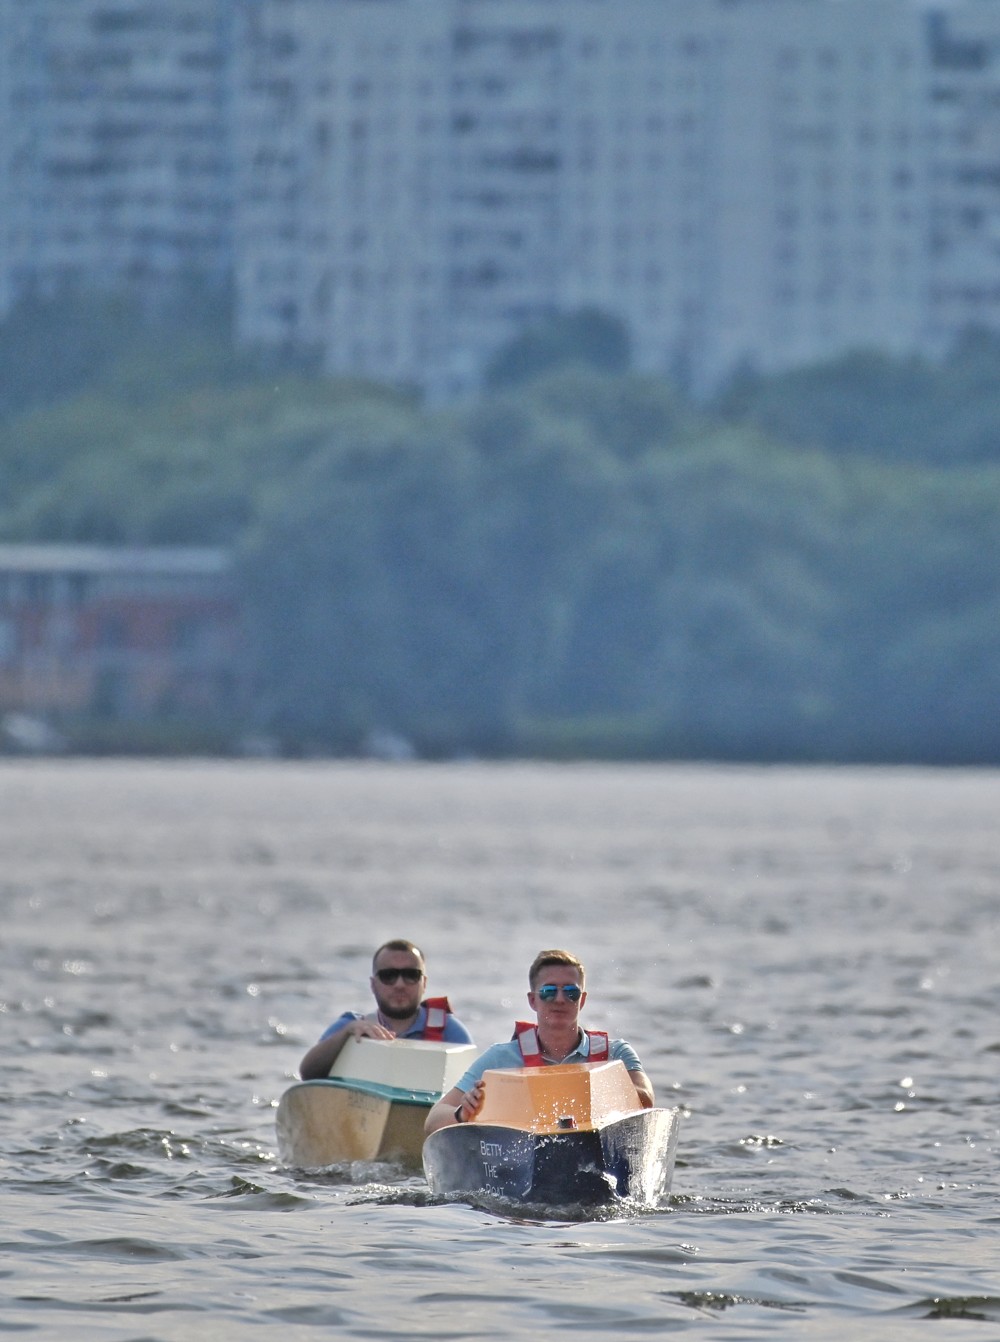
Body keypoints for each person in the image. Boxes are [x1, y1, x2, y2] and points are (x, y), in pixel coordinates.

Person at [425, 948, 653, 1133]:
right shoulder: (500, 1058)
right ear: (533, 1000)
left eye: (571, 992)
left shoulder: (617, 1053)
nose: (560, 1000)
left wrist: (604, 1085)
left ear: (582, 1000)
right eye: (549, 992)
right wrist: (462, 1112)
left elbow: (646, 1100)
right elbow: (433, 1120)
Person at [298, 938, 474, 1080]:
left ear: (424, 983)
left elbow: (475, 1090)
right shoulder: (351, 1027)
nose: (399, 985)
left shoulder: (451, 1033)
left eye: (411, 975)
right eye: (388, 976)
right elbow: (308, 1073)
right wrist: (346, 1035)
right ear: (373, 985)